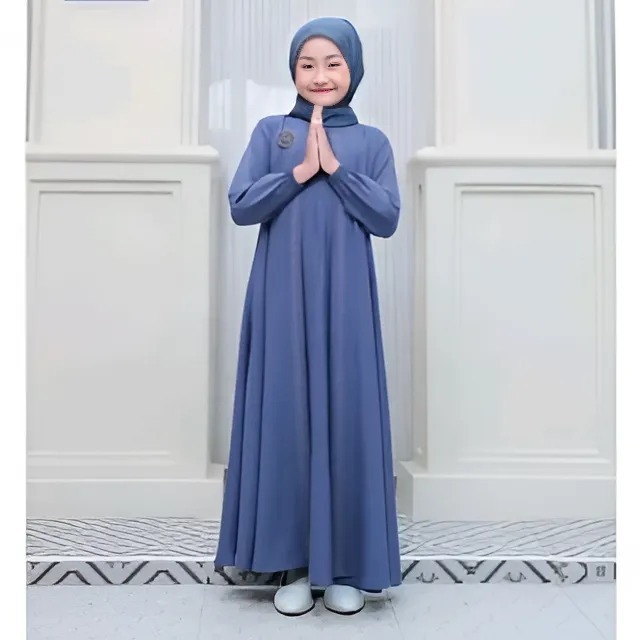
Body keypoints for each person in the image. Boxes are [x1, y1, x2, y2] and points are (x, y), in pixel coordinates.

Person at [214, 16, 402, 617]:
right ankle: (291, 565)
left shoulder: (372, 142)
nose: (320, 76)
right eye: (307, 64)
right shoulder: (272, 132)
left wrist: (336, 169)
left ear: (353, 68)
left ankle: (345, 567)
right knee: (286, 417)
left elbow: (386, 217)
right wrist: (301, 170)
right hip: (282, 299)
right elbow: (242, 205)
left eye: (333, 63)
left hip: (346, 304)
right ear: (293, 70)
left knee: (347, 414)